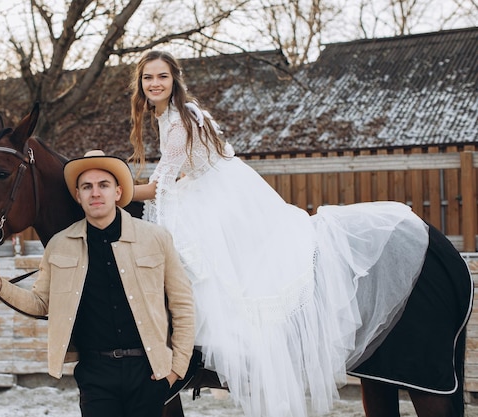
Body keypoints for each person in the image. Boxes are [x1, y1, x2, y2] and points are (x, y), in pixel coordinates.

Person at [128, 50, 438, 417]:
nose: (155, 83)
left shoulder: (179, 121)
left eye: (161, 76)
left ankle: (215, 348)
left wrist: (116, 191)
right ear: (141, 84)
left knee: (207, 265)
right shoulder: (175, 113)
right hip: (213, 187)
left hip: (216, 196)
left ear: (174, 79)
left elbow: (160, 186)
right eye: (148, 78)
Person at [0, 149, 195, 417]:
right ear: (78, 196)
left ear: (117, 192)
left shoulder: (156, 238)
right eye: (87, 187)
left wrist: (176, 369)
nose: (95, 193)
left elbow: (182, 304)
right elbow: (41, 303)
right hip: (95, 375)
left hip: (148, 372)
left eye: (104, 185)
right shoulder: (59, 246)